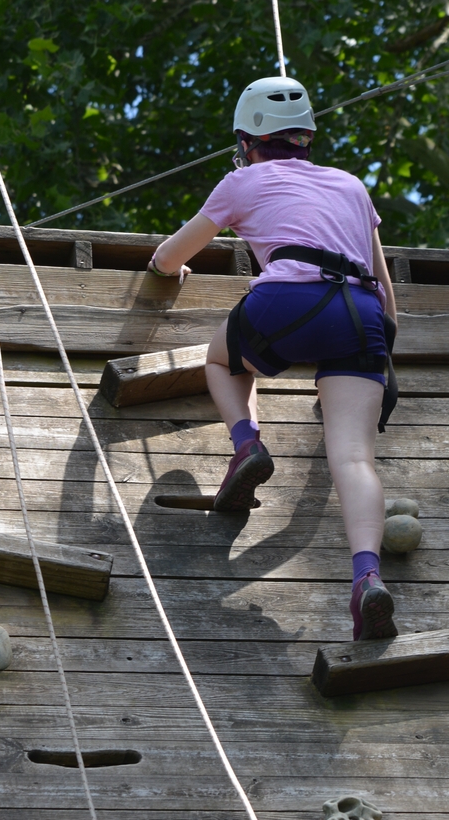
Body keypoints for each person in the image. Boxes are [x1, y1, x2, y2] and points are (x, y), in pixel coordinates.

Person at [146, 75, 398, 642]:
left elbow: (169, 255)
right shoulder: (353, 187)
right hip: (359, 314)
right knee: (354, 458)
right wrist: (381, 359)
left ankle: (247, 443)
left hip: (286, 300)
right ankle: (367, 577)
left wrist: (169, 271)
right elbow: (387, 297)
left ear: (246, 141)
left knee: (224, 361)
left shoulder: (243, 181)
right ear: (307, 137)